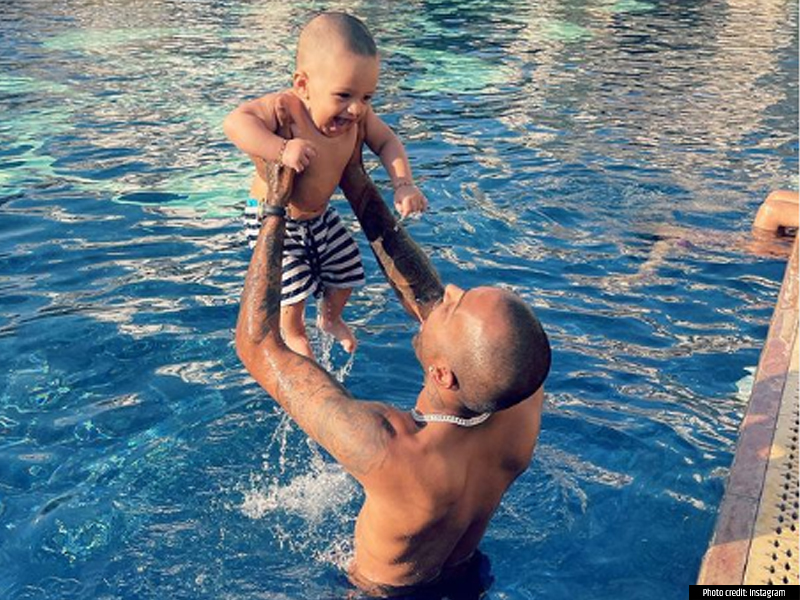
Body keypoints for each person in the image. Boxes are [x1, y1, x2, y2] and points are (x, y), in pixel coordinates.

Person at [236, 118, 552, 597]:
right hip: (469, 578)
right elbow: (427, 300)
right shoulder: (519, 398)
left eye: (454, 305)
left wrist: (274, 210)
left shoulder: (389, 448)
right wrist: (355, 180)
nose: (447, 289)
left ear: (442, 374)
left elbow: (258, 345)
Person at [224, 12, 427, 360]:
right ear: (303, 85)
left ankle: (330, 319)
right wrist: (281, 149)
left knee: (347, 266)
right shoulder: (286, 108)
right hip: (274, 219)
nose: (356, 109)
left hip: (318, 217)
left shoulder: (359, 118)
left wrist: (403, 184)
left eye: (367, 97)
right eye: (344, 95)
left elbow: (387, 142)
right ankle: (293, 335)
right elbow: (235, 123)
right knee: (293, 287)